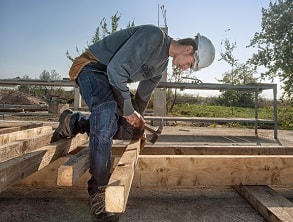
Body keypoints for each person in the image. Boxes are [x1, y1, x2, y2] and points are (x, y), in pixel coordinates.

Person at [51, 24, 215, 222]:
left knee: (130, 131)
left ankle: (74, 122)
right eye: (190, 64)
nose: (185, 68)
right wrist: (128, 112)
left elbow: (141, 99)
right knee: (106, 112)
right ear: (189, 49)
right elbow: (115, 70)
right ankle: (99, 192)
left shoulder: (161, 66)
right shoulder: (154, 36)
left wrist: (137, 124)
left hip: (111, 79)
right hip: (92, 68)